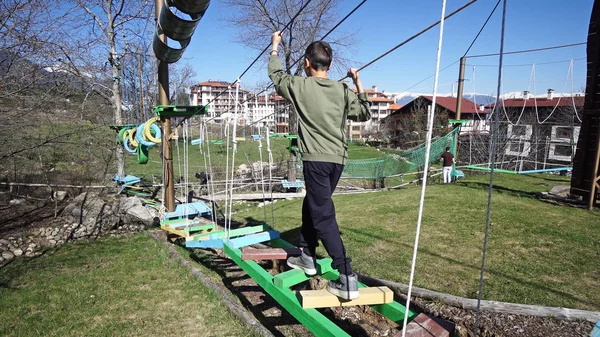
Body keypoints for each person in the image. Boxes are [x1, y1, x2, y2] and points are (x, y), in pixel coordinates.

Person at [268, 31, 371, 300]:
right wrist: (357, 81)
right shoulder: (342, 90)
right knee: (313, 204)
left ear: (306, 63)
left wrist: (275, 47)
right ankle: (307, 254)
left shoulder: (300, 86)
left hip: (315, 160)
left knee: (323, 216)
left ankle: (346, 275)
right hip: (337, 161)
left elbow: (276, 77)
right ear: (330, 65)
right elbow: (364, 112)